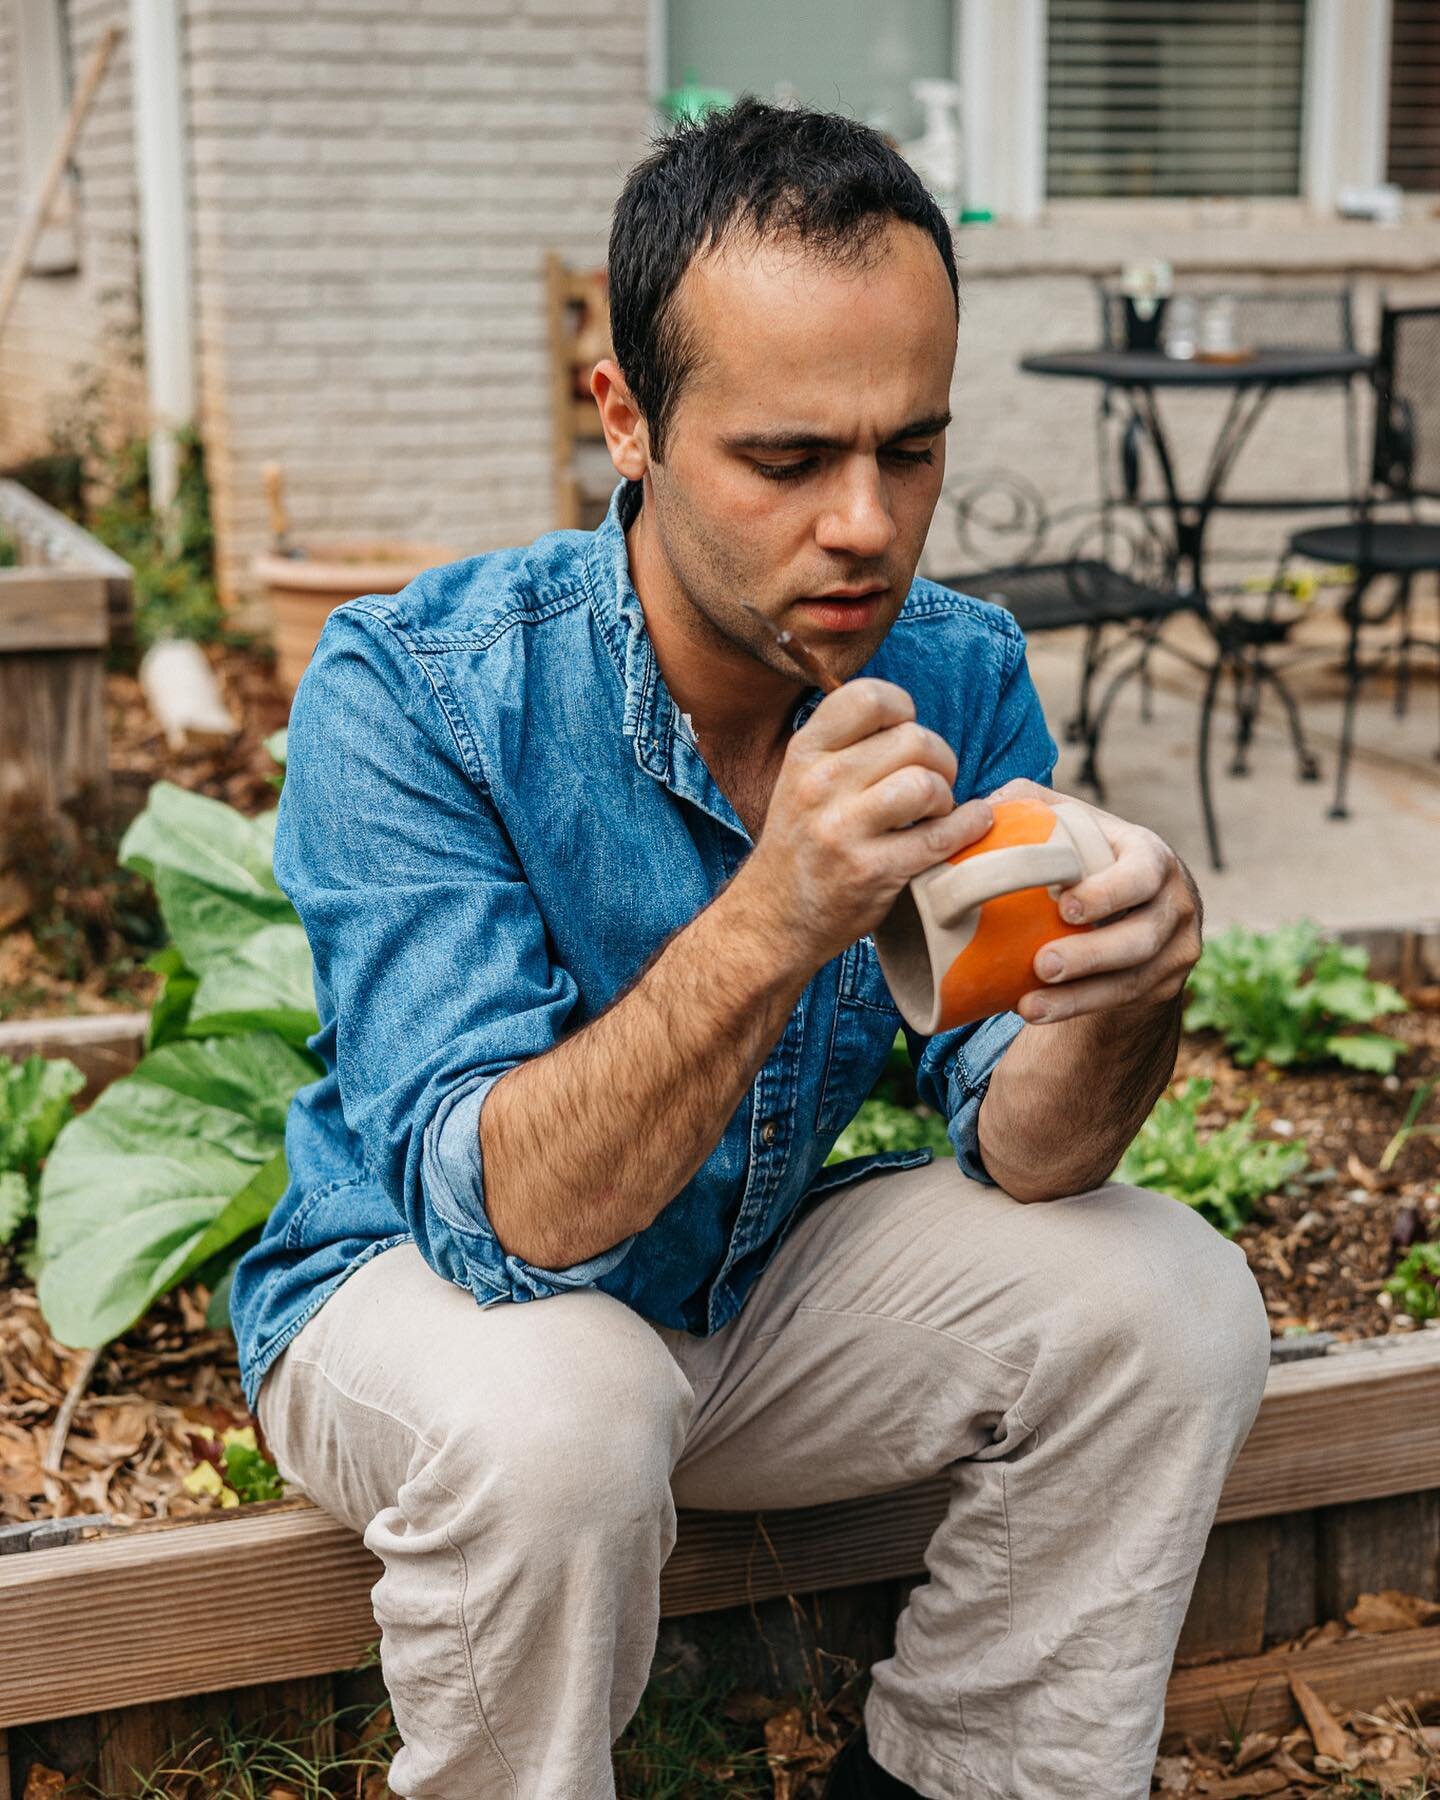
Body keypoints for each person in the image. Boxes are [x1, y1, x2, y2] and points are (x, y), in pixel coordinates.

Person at [230, 99, 1270, 1800]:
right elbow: (520, 1226)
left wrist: (1125, 1000)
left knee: (1173, 1298)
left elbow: (1034, 1151)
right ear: (629, 420)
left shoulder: (957, 671)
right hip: (425, 1305)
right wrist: (776, 915)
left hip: (741, 1302)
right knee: (565, 1406)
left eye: (910, 449)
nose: (865, 523)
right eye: (789, 462)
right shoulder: (416, 693)